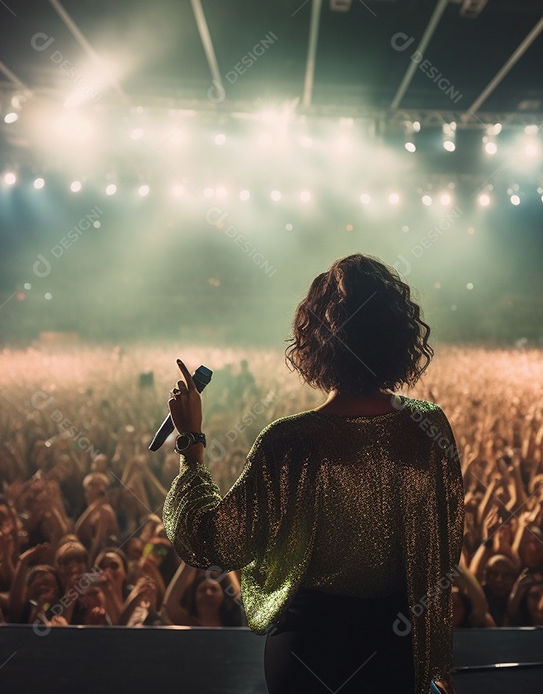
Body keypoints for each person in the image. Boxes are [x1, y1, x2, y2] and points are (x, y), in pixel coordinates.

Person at [163, 254, 464, 694]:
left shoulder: (289, 441)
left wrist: (191, 444)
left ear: (315, 339)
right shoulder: (427, 427)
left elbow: (213, 540)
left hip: (308, 647)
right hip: (395, 642)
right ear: (400, 336)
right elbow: (446, 541)